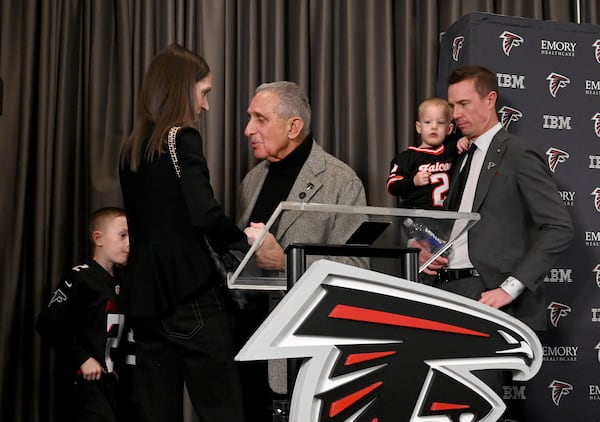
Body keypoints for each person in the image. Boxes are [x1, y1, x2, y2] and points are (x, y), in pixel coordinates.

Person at [119, 44, 247, 422]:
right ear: (181, 88)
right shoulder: (180, 138)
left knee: (157, 409)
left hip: (144, 296)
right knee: (223, 407)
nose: (206, 106)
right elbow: (204, 213)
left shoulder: (132, 146)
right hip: (187, 292)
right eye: (204, 92)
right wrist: (245, 244)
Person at [235, 81, 368, 420]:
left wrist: (286, 261)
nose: (248, 129)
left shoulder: (342, 181)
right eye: (250, 118)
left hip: (307, 356)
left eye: (260, 119)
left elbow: (357, 269)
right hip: (247, 345)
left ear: (293, 126)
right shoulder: (251, 181)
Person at [420, 65, 573, 331]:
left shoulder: (518, 153)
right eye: (453, 105)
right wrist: (427, 248)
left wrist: (510, 289)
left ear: (490, 100)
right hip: (446, 290)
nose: (456, 115)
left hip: (490, 296)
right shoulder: (463, 156)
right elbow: (456, 225)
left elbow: (559, 227)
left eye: (465, 104)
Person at [36, 207, 130, 422]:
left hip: (114, 384)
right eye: (123, 235)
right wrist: (83, 359)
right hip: (85, 384)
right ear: (99, 238)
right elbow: (47, 323)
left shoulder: (125, 281)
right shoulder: (81, 277)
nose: (129, 243)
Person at [387, 97, 469, 209]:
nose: (434, 127)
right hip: (414, 217)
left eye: (440, 123)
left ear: (449, 129)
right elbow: (392, 187)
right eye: (427, 122)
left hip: (444, 220)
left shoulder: (451, 151)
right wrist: (413, 181)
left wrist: (463, 141)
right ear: (419, 127)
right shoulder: (406, 158)